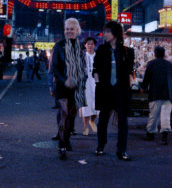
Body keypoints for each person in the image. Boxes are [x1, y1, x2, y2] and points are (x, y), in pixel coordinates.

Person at [93, 21, 135, 161]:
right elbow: (95, 68)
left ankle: (121, 150)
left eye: (108, 32)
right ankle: (100, 145)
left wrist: (130, 81)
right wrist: (96, 77)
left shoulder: (127, 52)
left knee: (123, 121)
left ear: (115, 33)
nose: (105, 34)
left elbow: (129, 71)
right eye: (105, 31)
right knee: (103, 120)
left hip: (121, 91)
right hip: (106, 90)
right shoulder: (101, 50)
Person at [51, 18, 87, 160]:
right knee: (64, 113)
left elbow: (83, 67)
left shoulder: (80, 47)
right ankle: (61, 145)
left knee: (71, 116)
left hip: (76, 86)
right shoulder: (59, 46)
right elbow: (54, 67)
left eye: (71, 29)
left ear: (77, 30)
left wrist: (80, 80)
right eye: (67, 29)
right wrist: (65, 80)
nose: (69, 31)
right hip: (62, 85)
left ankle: (66, 139)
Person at [141, 46, 172, 145]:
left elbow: (146, 78)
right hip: (168, 93)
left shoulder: (151, 64)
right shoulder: (169, 64)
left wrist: (143, 88)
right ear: (164, 54)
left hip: (155, 92)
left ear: (155, 54)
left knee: (154, 114)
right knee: (165, 114)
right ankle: (165, 134)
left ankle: (151, 133)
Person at [81, 37, 99, 136]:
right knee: (86, 106)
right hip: (86, 83)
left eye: (92, 44)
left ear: (94, 45)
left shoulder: (98, 56)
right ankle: (86, 128)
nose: (90, 46)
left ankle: (92, 121)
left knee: (96, 105)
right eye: (88, 44)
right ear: (85, 45)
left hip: (96, 82)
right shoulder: (82, 56)